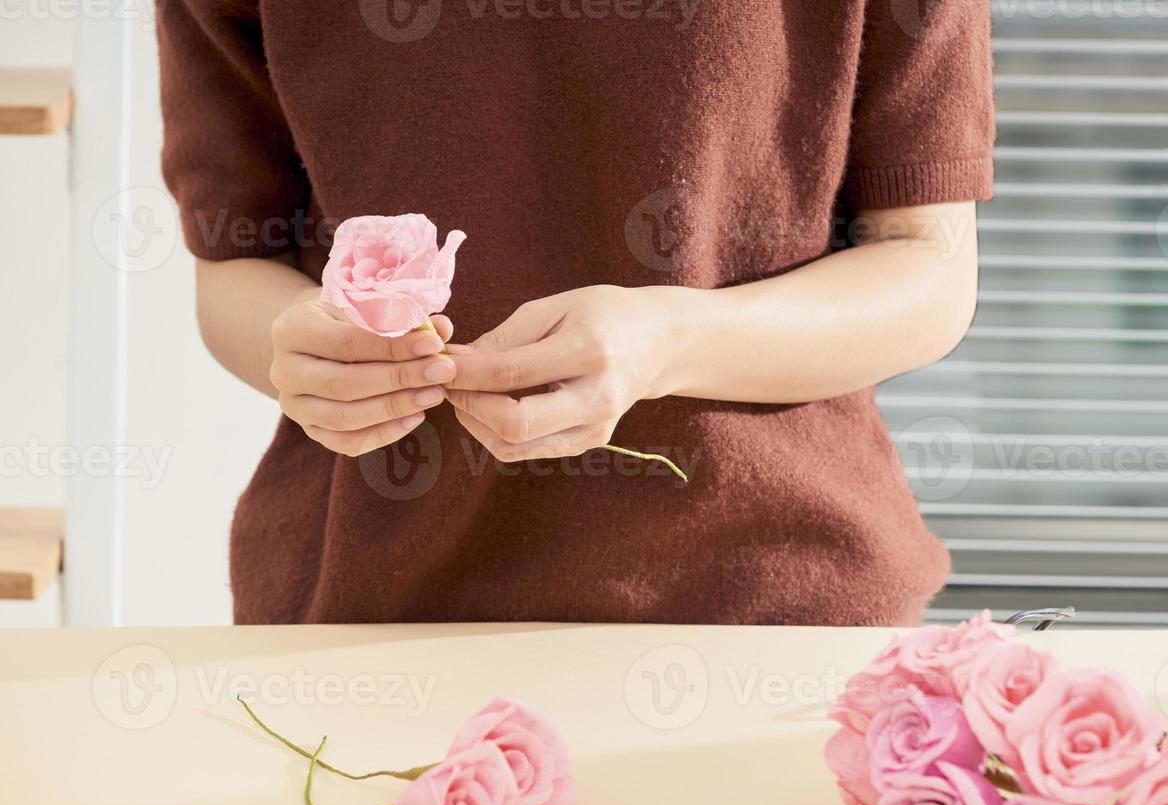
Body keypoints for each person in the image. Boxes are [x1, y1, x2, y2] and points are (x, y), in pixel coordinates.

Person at [157, 0, 994, 625]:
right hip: (367, 620)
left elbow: (929, 268)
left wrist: (673, 344)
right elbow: (234, 265)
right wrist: (299, 347)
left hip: (777, 612)